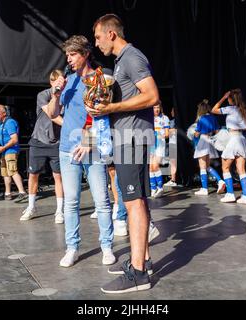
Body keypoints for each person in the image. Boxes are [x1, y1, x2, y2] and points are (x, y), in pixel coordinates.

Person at [91, 14, 160, 294]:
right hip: (126, 138)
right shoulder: (122, 62)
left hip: (132, 138)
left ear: (111, 34)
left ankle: (139, 275)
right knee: (137, 202)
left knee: (132, 203)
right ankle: (141, 260)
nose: (96, 44)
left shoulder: (131, 57)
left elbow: (152, 96)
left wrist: (111, 109)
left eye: (97, 37)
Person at [47, 35, 116, 268]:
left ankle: (107, 246)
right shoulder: (67, 80)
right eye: (67, 54)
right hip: (67, 149)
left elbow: (102, 115)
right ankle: (72, 248)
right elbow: (52, 112)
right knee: (71, 202)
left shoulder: (100, 78)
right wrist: (56, 94)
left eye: (73, 54)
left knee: (102, 201)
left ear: (85, 53)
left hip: (92, 147)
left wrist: (88, 139)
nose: (69, 59)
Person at [20, 70, 65, 223]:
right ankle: (31, 206)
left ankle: (59, 210)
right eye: (57, 82)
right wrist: (71, 126)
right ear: (51, 82)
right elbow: (52, 115)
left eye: (62, 82)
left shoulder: (67, 96)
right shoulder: (43, 95)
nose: (60, 85)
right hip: (39, 141)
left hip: (57, 143)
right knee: (33, 175)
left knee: (58, 176)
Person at [212, 89, 246, 205]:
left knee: (225, 167)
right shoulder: (244, 109)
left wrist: (223, 98)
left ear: (231, 99)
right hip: (242, 139)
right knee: (241, 169)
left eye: (229, 98)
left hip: (233, 139)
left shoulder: (230, 109)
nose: (228, 99)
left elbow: (214, 110)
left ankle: (230, 194)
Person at [0, 104, 27, 201]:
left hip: (10, 151)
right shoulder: (1, 124)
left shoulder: (9, 122)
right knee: (5, 172)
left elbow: (14, 139)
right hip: (3, 152)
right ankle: (8, 193)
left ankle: (22, 192)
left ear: (4, 113)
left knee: (12, 170)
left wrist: (3, 148)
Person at [193, 99, 226, 196]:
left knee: (202, 166)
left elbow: (196, 134)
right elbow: (217, 132)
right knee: (207, 166)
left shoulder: (201, 119)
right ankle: (220, 181)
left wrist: (194, 133)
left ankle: (204, 188)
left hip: (203, 141)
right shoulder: (213, 118)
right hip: (211, 141)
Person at [149, 102, 169, 198]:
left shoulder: (164, 118)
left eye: (158, 108)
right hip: (150, 144)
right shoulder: (147, 117)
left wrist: (160, 134)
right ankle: (153, 189)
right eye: (154, 108)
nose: (156, 110)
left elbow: (167, 134)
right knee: (150, 167)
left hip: (160, 144)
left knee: (155, 166)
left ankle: (160, 188)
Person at [164, 108, 178, 187]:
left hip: (174, 143)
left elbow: (174, 130)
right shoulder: (171, 121)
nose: (171, 112)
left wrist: (165, 131)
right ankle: (172, 178)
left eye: (173, 111)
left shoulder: (176, 121)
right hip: (171, 143)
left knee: (173, 162)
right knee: (171, 161)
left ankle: (173, 180)